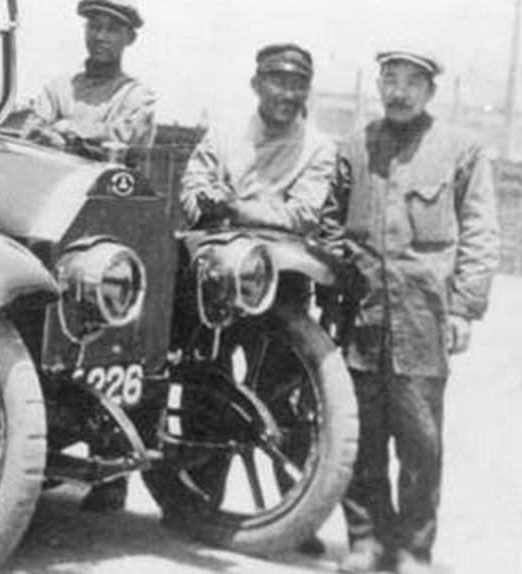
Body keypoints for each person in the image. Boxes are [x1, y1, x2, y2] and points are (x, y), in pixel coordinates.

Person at [325, 51, 499, 574]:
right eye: (390, 79)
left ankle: (413, 549)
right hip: (362, 318)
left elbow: (481, 232)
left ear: (430, 90)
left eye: (412, 82)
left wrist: (464, 308)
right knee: (361, 438)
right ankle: (366, 540)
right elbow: (330, 222)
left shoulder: (460, 149)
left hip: (423, 320)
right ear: (379, 83)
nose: (399, 92)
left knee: (421, 443)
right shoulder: (356, 146)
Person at [181, 43, 335, 233]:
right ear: (256, 85)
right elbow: (194, 183)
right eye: (279, 83)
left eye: (298, 86)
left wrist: (236, 210)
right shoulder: (224, 132)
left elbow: (304, 214)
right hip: (217, 235)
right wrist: (207, 208)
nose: (288, 95)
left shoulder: (319, 147)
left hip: (284, 244)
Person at [26, 0, 157, 153]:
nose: (100, 37)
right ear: (85, 30)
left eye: (112, 30)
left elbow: (124, 136)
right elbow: (31, 132)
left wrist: (68, 128)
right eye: (95, 26)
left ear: (130, 38)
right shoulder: (58, 89)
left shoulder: (136, 95)